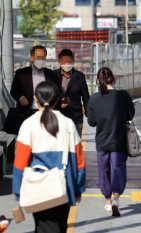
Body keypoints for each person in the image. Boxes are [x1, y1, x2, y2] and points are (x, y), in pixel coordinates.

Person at [12, 81, 86, 233]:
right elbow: (79, 162)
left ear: (35, 98)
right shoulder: (68, 124)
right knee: (61, 227)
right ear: (57, 99)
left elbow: (20, 163)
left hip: (38, 186)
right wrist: (78, 190)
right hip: (65, 186)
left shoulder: (29, 124)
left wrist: (18, 192)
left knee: (45, 227)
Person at [87, 67, 134, 216]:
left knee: (104, 171)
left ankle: (107, 202)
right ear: (113, 79)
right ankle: (116, 200)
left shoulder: (93, 98)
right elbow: (130, 114)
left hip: (101, 142)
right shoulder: (123, 95)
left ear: (97, 81)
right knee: (118, 169)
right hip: (119, 141)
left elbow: (91, 122)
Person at [11, 45, 63, 111]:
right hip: (27, 111)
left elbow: (57, 90)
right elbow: (14, 91)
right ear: (31, 58)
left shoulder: (51, 74)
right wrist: (21, 97)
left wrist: (63, 98)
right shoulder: (21, 73)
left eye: (43, 57)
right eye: (38, 57)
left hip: (46, 112)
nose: (41, 60)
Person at [53, 49, 90, 137]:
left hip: (75, 118)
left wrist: (90, 115)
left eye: (69, 61)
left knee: (75, 147)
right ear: (59, 61)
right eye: (64, 61)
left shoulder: (79, 76)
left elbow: (86, 97)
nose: (66, 64)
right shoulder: (53, 75)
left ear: (73, 61)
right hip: (57, 117)